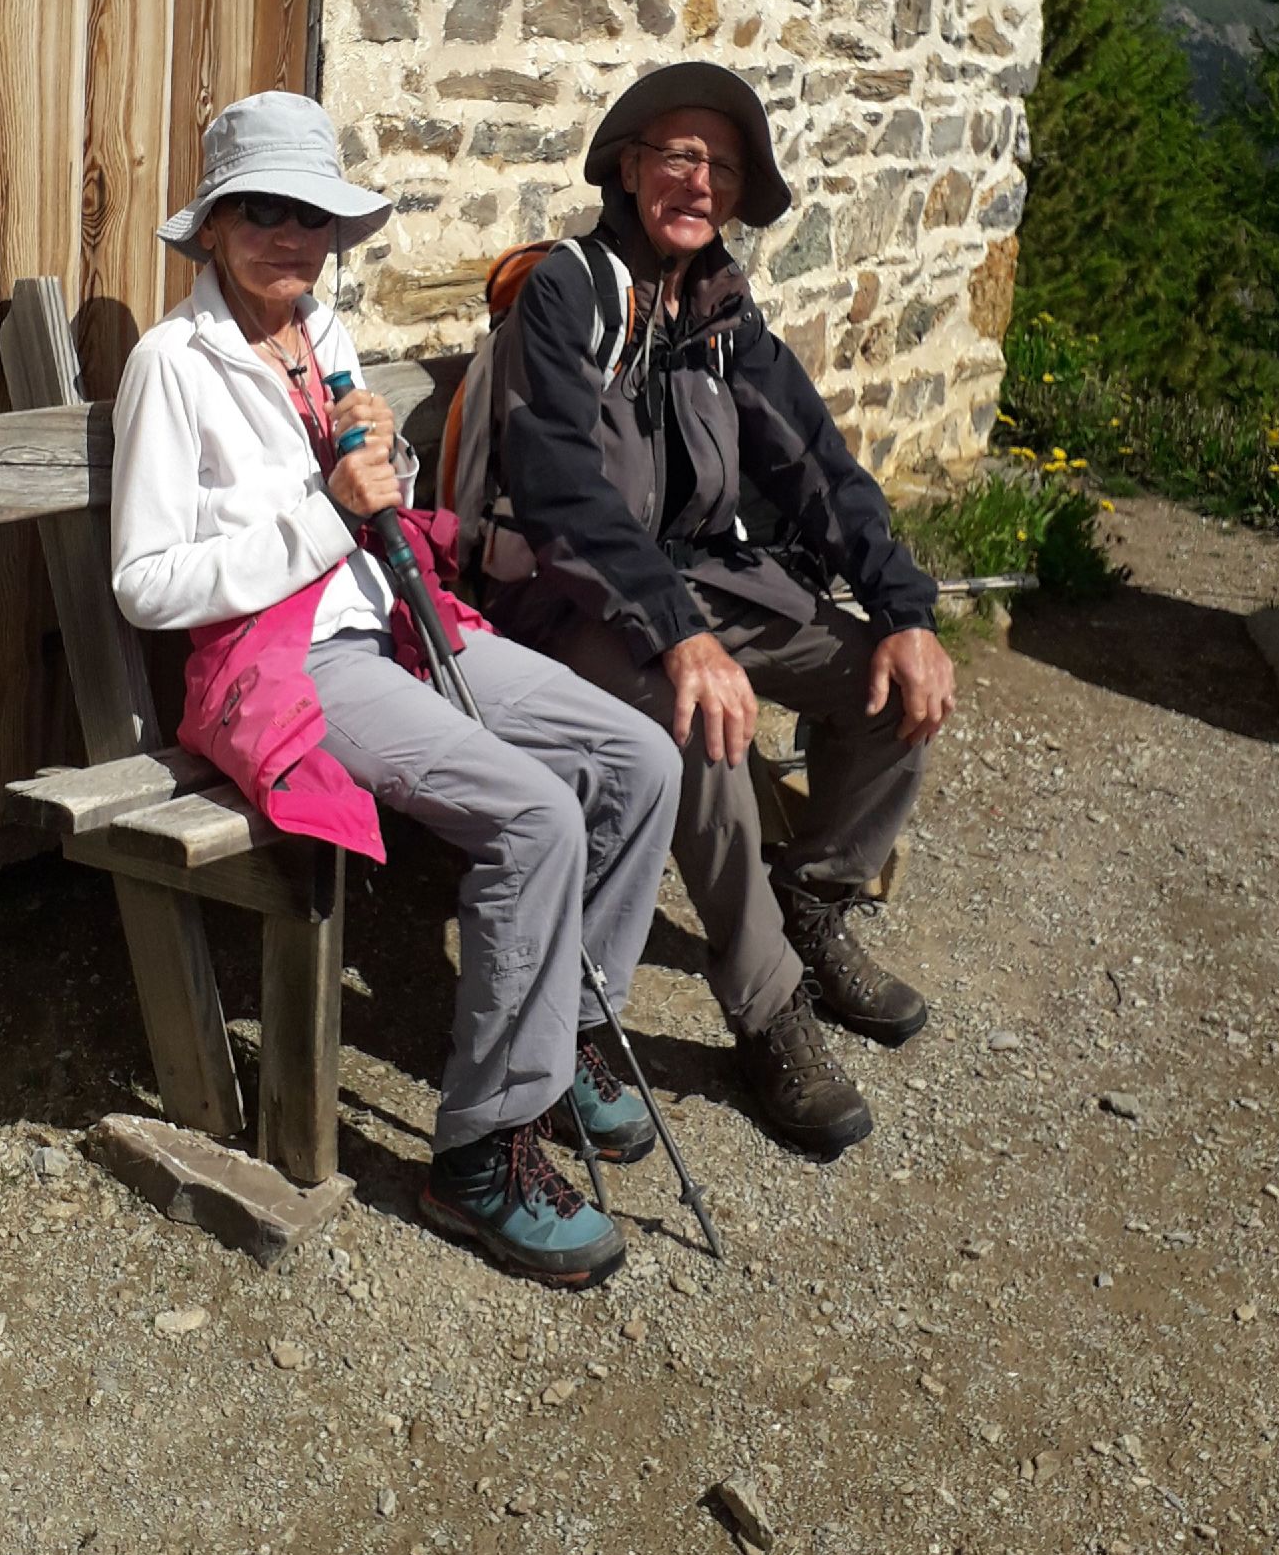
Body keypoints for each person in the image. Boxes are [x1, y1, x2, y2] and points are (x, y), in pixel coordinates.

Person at [108, 90, 680, 1288]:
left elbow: (369, 497)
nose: (290, 235)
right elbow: (146, 584)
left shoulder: (319, 330)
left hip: (395, 623)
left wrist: (387, 455)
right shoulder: (173, 363)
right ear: (213, 225)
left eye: (311, 215)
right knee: (535, 816)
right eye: (261, 211)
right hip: (284, 663)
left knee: (639, 758)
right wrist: (329, 511)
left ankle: (567, 1039)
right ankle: (478, 1155)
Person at [480, 62, 955, 1158]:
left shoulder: (720, 317)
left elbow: (817, 467)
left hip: (698, 588)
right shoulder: (566, 294)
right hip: (565, 603)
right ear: (628, 167)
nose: (699, 182)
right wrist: (680, 634)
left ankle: (813, 900)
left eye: (723, 168)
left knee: (884, 687)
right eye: (680, 155)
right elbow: (559, 493)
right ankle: (767, 1006)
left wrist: (903, 608)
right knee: (701, 721)